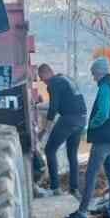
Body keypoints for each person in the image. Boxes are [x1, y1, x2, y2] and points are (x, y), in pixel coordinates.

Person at [64, 56, 110, 218]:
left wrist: (90, 127)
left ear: (100, 72)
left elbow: (103, 113)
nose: (93, 77)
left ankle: (82, 212)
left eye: (94, 74)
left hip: (103, 138)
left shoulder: (106, 87)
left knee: (91, 174)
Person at [37, 62, 86, 195]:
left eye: (42, 78)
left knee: (49, 150)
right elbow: (62, 103)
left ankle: (55, 188)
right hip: (81, 119)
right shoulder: (66, 79)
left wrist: (44, 130)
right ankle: (74, 189)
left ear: (47, 73)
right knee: (72, 154)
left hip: (69, 119)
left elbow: (54, 107)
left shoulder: (53, 83)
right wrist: (39, 106)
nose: (43, 81)